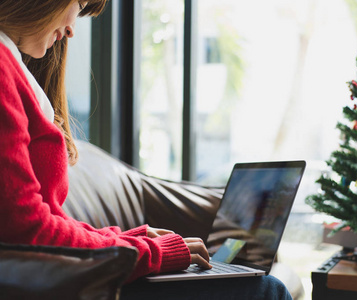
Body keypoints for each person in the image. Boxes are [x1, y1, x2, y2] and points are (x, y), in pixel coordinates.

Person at [0, 1, 292, 299]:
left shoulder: (10, 65)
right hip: (52, 284)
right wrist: (149, 252)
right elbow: (28, 232)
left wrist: (125, 239)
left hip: (55, 276)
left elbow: (42, 223)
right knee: (267, 291)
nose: (73, 27)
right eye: (80, 3)